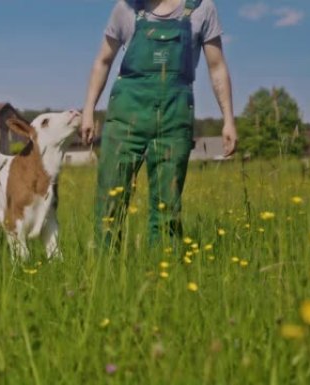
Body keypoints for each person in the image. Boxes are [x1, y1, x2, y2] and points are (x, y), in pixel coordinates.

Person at [81, 0, 237, 249]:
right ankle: (105, 274)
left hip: (173, 119)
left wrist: (228, 119)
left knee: (168, 206)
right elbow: (103, 60)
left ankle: (163, 275)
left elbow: (217, 66)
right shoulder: (126, 8)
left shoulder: (201, 9)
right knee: (109, 202)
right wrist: (88, 110)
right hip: (125, 116)